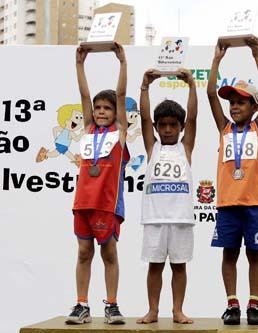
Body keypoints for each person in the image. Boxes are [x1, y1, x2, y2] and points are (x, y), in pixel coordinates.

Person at [207, 36, 258, 325]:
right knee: (229, 253)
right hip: (227, 203)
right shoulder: (224, 128)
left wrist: (257, 55)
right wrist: (216, 59)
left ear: (254, 107)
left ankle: (254, 305)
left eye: (241, 103)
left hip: (255, 202)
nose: (234, 107)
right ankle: (232, 303)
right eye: (232, 103)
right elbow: (210, 94)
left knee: (254, 254)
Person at [66, 43, 129, 325]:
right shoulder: (89, 128)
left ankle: (112, 305)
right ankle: (81, 305)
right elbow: (84, 94)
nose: (101, 111)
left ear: (116, 112)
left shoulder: (120, 132)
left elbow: (122, 93)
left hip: (107, 204)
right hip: (84, 202)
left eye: (107, 108)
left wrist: (122, 63)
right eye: (98, 108)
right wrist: (80, 65)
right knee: (83, 252)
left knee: (109, 252)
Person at [136, 68, 197, 325]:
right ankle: (153, 310)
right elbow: (143, 118)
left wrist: (192, 85)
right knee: (155, 265)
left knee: (179, 266)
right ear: (156, 128)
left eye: (174, 125)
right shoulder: (153, 147)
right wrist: (145, 87)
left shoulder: (186, 147)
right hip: (155, 219)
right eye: (163, 125)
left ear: (182, 128)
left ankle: (177, 310)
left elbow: (193, 117)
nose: (169, 129)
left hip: (181, 218)